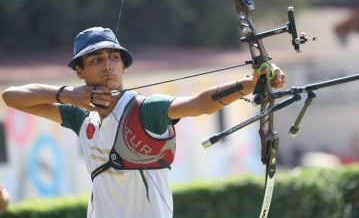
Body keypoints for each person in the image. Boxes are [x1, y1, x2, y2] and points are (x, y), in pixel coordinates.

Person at [2, 27, 285, 217]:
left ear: (124, 66)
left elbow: (199, 103)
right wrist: (67, 96)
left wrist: (249, 84)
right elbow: (11, 97)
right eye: (96, 60)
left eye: (114, 58)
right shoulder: (81, 116)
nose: (108, 66)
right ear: (80, 71)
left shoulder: (145, 109)